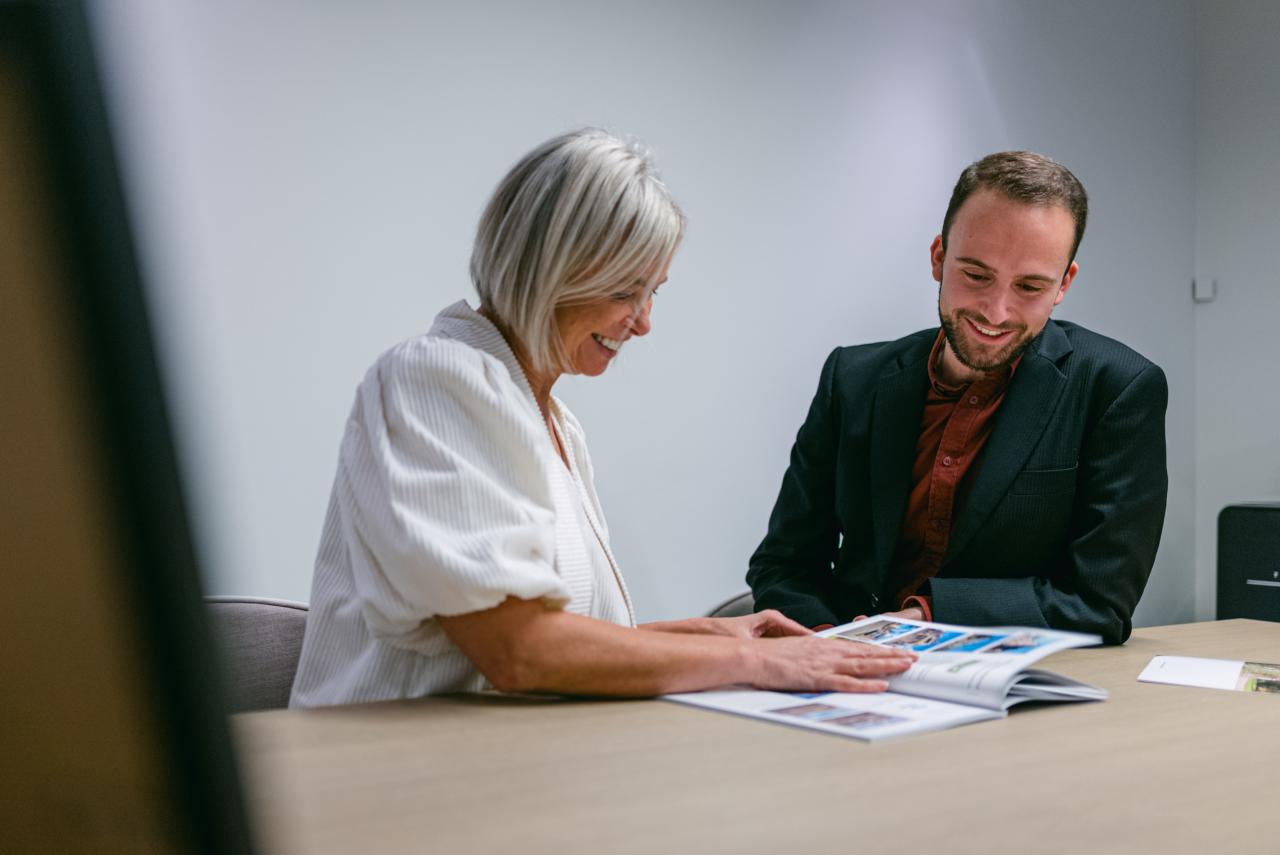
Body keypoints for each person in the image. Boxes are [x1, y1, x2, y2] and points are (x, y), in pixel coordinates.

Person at [290, 129, 913, 707]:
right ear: (547, 270)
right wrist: (758, 665)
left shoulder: (551, 421)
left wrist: (717, 637)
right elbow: (518, 652)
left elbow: (570, 638)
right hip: (390, 778)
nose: (643, 323)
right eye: (624, 291)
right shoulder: (432, 379)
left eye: (652, 293)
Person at [747, 151, 1168, 645]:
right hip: (837, 674)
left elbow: (1100, 601)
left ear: (1064, 284)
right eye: (976, 275)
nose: (996, 310)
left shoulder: (1118, 389)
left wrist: (921, 619)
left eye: (1030, 286)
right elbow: (784, 564)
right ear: (938, 257)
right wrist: (823, 641)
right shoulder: (852, 378)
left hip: (1010, 688)